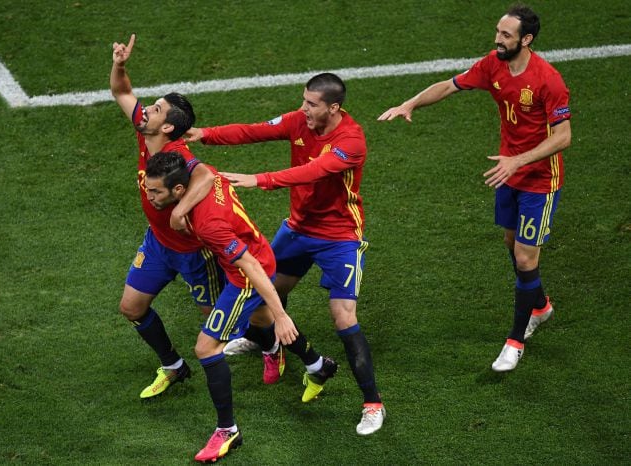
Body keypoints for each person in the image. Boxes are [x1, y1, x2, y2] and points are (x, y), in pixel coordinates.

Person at [186, 72, 386, 435]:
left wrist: (259, 179)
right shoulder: (300, 120)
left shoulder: (351, 141)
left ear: (334, 107)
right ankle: (269, 341)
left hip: (339, 237)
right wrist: (205, 134)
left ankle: (372, 403)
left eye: (312, 104)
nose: (303, 108)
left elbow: (312, 172)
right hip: (297, 229)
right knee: (267, 289)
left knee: (343, 317)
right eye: (303, 100)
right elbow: (253, 130)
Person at [378, 4, 571, 372]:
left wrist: (519, 159)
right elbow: (450, 86)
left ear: (526, 40)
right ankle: (541, 306)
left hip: (539, 182)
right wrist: (412, 102)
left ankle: (515, 340)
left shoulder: (548, 80)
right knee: (512, 246)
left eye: (506, 35)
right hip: (506, 172)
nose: (497, 39)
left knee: (526, 258)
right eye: (498, 32)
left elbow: (563, 137)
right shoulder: (494, 63)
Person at [144, 150, 336, 462]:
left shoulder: (208, 224)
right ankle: (317, 365)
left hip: (246, 274)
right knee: (257, 324)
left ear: (179, 190)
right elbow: (204, 171)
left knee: (207, 348)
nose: (148, 196)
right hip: (246, 256)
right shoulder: (204, 177)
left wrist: (282, 313)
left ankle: (228, 431)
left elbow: (249, 265)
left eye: (155, 191)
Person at [110, 34, 225, 399]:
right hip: (158, 244)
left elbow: (207, 175)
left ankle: (276, 343)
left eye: (155, 110)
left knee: (224, 321)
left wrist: (181, 210)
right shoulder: (146, 134)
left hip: (195, 252)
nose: (146, 111)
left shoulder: (176, 155)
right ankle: (173, 366)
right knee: (131, 307)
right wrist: (120, 64)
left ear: (169, 127)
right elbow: (121, 92)